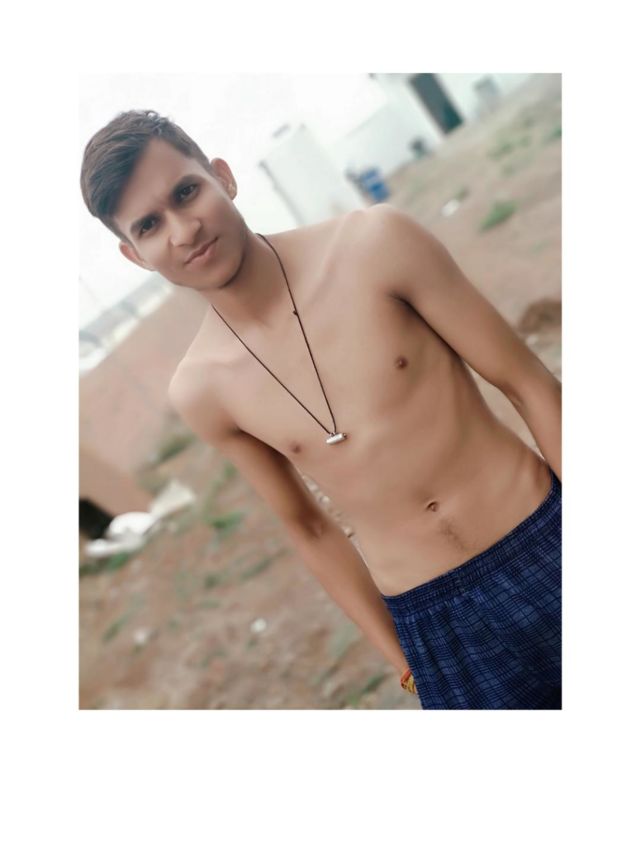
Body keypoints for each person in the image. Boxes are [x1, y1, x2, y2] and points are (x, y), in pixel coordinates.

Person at [80, 109, 562, 709]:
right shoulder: (202, 390)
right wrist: (405, 663)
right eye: (150, 225)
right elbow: (307, 527)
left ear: (223, 177)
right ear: (134, 255)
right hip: (433, 620)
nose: (184, 230)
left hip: (543, 539)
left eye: (186, 192)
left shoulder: (375, 245)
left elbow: (529, 384)